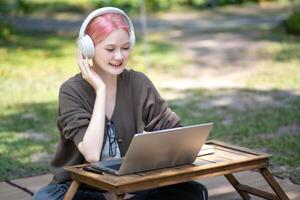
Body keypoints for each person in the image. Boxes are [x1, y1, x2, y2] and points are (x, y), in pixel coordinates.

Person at [32, 7, 208, 200]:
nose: (119, 56)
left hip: (128, 183)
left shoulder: (138, 83)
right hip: (79, 189)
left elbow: (174, 131)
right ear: (87, 49)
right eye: (110, 49)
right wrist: (100, 90)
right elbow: (91, 155)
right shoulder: (71, 91)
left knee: (192, 192)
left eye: (125, 48)